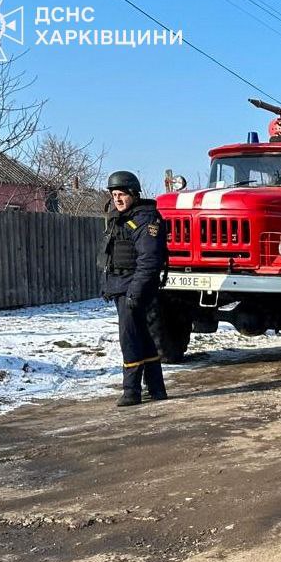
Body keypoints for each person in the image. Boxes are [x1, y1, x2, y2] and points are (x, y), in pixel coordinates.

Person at [97, 170, 169, 407]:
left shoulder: (145, 219)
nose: (117, 199)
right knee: (142, 336)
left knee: (129, 338)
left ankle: (131, 391)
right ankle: (156, 388)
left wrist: (134, 292)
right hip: (122, 285)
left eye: (122, 194)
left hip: (133, 287)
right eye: (114, 194)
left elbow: (149, 260)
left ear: (134, 194)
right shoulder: (123, 218)